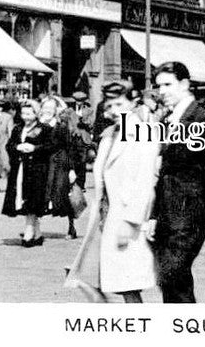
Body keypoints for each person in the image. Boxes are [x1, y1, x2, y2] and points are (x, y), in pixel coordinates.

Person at [144, 61, 205, 303]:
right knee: (170, 281)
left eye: (167, 85)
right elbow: (164, 175)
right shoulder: (167, 122)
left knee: (174, 274)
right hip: (167, 216)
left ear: (184, 84)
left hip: (191, 215)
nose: (161, 91)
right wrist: (153, 215)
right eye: (158, 86)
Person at [66, 82, 161, 304]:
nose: (113, 111)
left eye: (119, 104)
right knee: (95, 279)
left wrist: (132, 221)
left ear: (133, 103)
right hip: (107, 216)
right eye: (110, 105)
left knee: (128, 286)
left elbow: (146, 180)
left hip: (128, 218)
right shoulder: (110, 134)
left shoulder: (142, 131)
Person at [2, 100, 58, 247]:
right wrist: (18, 147)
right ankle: (37, 233)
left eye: (29, 113)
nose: (25, 116)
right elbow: (9, 145)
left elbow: (51, 147)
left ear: (36, 113)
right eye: (23, 113)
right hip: (20, 168)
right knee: (23, 198)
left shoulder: (44, 129)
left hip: (37, 170)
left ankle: (28, 233)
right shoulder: (18, 129)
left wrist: (34, 148)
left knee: (32, 200)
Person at [39, 95, 85, 240]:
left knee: (63, 194)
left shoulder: (62, 126)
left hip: (60, 164)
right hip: (42, 164)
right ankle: (35, 228)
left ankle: (71, 227)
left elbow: (69, 148)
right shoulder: (36, 126)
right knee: (39, 195)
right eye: (45, 108)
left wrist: (71, 169)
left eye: (50, 109)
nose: (47, 111)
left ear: (55, 111)